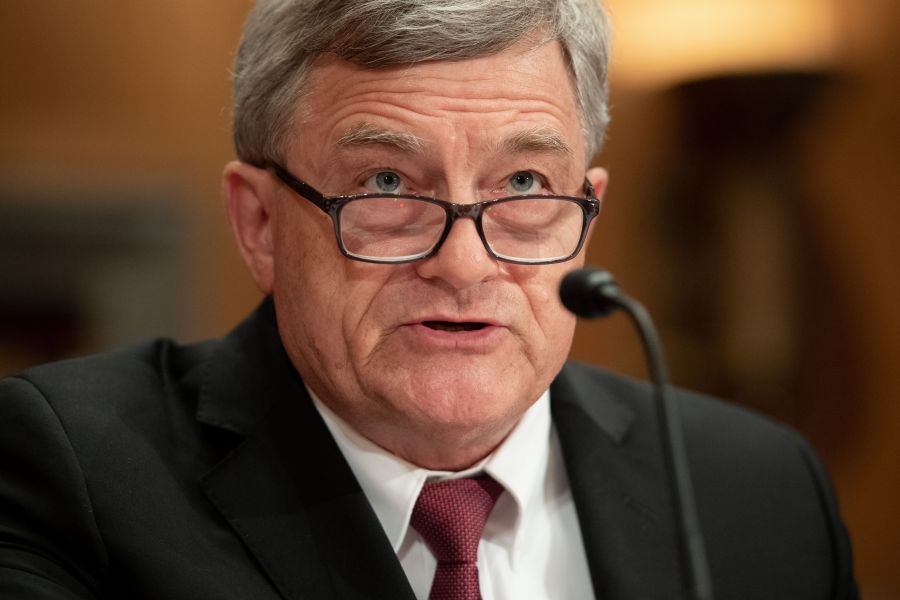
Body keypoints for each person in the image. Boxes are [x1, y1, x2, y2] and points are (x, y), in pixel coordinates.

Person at [0, 1, 857, 598]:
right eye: (385, 182)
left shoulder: (759, 492)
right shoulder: (70, 474)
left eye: (524, 182)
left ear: (587, 215)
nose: (462, 261)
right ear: (259, 223)